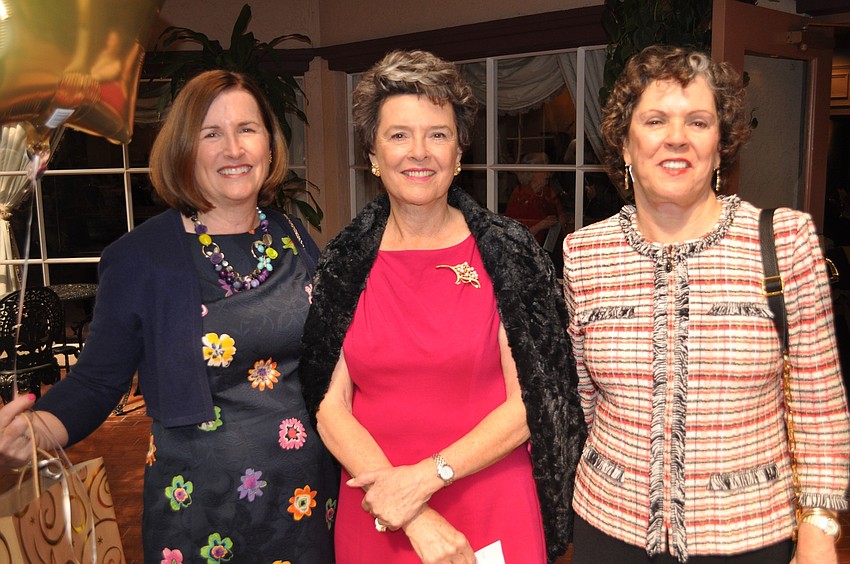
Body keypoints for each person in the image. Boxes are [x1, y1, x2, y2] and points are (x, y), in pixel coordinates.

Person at [0, 70, 337, 563]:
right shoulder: (142, 255)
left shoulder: (292, 234)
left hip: (308, 498)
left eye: (247, 129)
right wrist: (34, 430)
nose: (233, 148)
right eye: (211, 133)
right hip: (202, 506)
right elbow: (96, 382)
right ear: (183, 148)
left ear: (268, 142)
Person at [562, 44, 850, 564]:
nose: (676, 138)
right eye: (655, 120)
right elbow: (584, 396)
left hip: (748, 534)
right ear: (626, 146)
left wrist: (820, 530)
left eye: (698, 121)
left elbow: (820, 409)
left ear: (720, 147)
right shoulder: (584, 252)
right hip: (607, 527)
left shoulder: (785, 241)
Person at [299, 50, 585, 564]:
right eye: (398, 134)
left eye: (438, 134)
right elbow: (327, 403)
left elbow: (533, 402)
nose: (419, 152)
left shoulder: (508, 252)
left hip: (489, 501)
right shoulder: (344, 260)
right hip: (378, 509)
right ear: (372, 153)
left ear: (458, 153)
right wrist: (408, 507)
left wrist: (424, 480)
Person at [504, 151, 569, 249]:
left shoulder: (548, 192)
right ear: (531, 172)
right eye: (544, 169)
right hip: (529, 249)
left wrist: (561, 218)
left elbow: (560, 211)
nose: (548, 173)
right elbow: (513, 232)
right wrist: (540, 225)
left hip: (550, 247)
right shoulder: (520, 194)